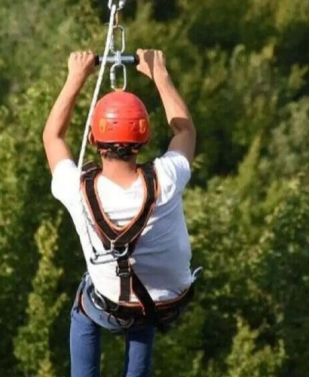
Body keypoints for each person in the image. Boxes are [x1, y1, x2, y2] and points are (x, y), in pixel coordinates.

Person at [42, 49, 199, 377]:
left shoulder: (77, 189)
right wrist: (159, 74)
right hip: (169, 303)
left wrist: (76, 77)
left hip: (114, 308)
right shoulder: (167, 179)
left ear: (92, 138)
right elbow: (185, 132)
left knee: (85, 304)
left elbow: (52, 137)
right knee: (140, 307)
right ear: (144, 139)